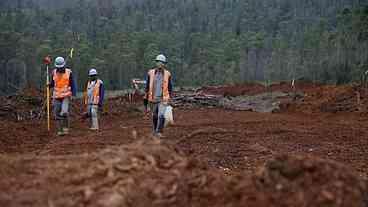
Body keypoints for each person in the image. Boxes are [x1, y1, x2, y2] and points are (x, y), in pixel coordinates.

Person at [144, 54, 173, 138]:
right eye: (159, 62)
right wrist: (145, 95)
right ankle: (155, 130)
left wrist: (170, 97)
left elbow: (170, 87)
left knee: (161, 115)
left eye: (162, 63)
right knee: (155, 116)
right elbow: (147, 85)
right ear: (156, 63)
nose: (160, 64)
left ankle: (159, 132)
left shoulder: (167, 74)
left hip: (163, 99)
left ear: (164, 64)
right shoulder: (151, 73)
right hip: (153, 99)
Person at [49, 57, 76, 136]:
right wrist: (49, 85)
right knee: (56, 113)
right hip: (57, 96)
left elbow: (73, 84)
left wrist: (73, 94)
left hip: (66, 96)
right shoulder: (53, 72)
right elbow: (53, 83)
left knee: (64, 112)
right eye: (58, 67)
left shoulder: (69, 72)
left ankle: (65, 128)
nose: (59, 69)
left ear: (64, 65)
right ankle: (60, 130)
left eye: (61, 67)